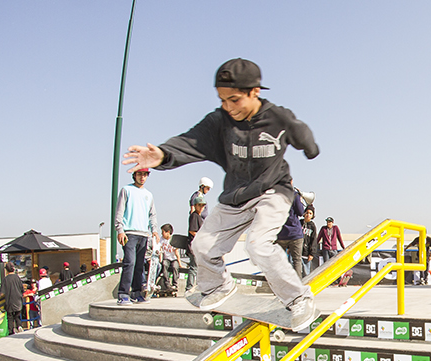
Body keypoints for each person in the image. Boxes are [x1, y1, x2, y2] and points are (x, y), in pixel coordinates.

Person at [122, 58, 320, 330]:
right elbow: (190, 141)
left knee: (258, 245)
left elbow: (302, 132)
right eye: (222, 100)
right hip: (236, 196)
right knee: (202, 246)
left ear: (255, 92)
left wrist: (309, 147)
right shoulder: (220, 122)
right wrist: (164, 154)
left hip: (274, 190)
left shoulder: (278, 118)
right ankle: (219, 285)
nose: (228, 107)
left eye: (234, 100)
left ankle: (298, 298)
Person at [112, 166, 157, 305]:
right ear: (134, 175)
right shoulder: (126, 190)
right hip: (129, 233)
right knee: (129, 263)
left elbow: (152, 214)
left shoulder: (149, 195)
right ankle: (123, 294)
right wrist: (120, 230)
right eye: (139, 174)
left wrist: (154, 230)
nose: (142, 177)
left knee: (139, 265)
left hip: (144, 234)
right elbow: (120, 210)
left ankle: (136, 293)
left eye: (145, 175)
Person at [186, 179, 211, 291]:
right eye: (207, 188)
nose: (202, 208)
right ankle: (189, 287)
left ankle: (196, 287)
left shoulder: (199, 216)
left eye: (203, 206)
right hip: (194, 243)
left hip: (199, 241)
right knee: (194, 267)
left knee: (198, 267)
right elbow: (192, 229)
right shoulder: (194, 214)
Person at [1, 262, 24, 335]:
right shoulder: (17, 278)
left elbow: (2, 292)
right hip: (18, 300)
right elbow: (22, 289)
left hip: (9, 301)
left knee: (10, 318)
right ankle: (19, 326)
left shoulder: (5, 279)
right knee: (17, 316)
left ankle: (11, 331)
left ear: (6, 270)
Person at [300, 206, 318, 277]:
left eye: (310, 213)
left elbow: (314, 240)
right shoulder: (299, 223)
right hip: (296, 251)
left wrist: (312, 253)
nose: (308, 215)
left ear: (312, 215)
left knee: (306, 272)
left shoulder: (312, 226)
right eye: (307, 213)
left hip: (306, 253)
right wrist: (289, 247)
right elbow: (293, 235)